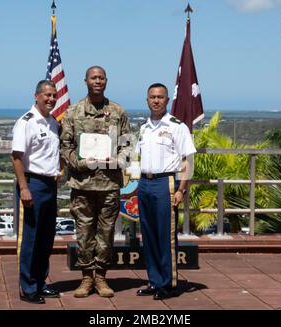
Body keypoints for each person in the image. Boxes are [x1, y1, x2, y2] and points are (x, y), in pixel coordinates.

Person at [60, 66, 131, 298]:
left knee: (107, 232)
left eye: (101, 78)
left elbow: (128, 147)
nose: (97, 81)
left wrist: (117, 160)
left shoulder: (118, 112)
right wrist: (81, 164)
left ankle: (101, 277)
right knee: (83, 233)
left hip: (109, 184)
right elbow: (66, 148)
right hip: (82, 184)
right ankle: (85, 278)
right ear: (86, 81)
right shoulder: (73, 112)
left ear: (106, 81)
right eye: (94, 78)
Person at [136, 83, 196, 300]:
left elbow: (188, 159)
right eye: (152, 97)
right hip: (144, 184)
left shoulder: (177, 126)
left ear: (167, 100)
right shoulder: (143, 128)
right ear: (147, 100)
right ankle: (154, 281)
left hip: (165, 184)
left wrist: (182, 189)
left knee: (166, 236)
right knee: (149, 235)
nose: (156, 100)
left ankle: (168, 284)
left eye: (160, 97)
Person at [11, 80, 61, 304]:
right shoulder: (26, 122)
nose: (51, 99)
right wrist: (24, 188)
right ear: (36, 96)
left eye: (54, 95)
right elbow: (16, 157)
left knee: (45, 238)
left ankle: (41, 282)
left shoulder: (52, 122)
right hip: (32, 184)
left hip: (50, 184)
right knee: (30, 239)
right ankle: (28, 287)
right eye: (47, 95)